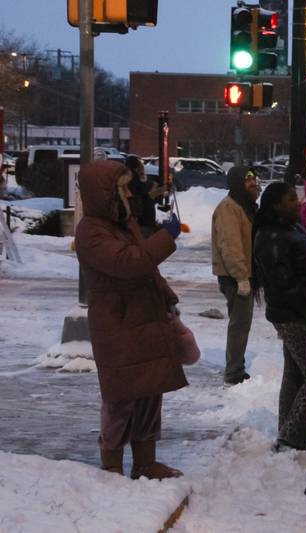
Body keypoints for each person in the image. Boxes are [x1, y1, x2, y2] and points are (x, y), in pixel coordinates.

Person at [75, 160, 186, 479]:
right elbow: (129, 263)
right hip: (118, 323)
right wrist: (166, 238)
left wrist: (167, 296)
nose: (129, 193)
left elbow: (148, 269)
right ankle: (111, 465)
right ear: (105, 194)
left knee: (150, 392)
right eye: (122, 188)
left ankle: (146, 461)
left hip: (145, 317)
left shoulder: (125, 223)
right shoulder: (91, 231)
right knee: (121, 397)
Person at [252, 182, 306, 451]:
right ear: (276, 205)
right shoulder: (273, 237)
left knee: (295, 373)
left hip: (296, 312)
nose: (298, 202)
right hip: (294, 315)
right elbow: (283, 284)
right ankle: (292, 436)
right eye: (291, 199)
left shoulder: (289, 228)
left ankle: (287, 430)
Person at [212, 166, 259, 385]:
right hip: (235, 276)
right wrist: (241, 276)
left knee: (242, 322)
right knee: (239, 324)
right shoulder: (229, 209)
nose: (253, 183)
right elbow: (230, 246)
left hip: (244, 273)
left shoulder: (245, 206)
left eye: (254, 179)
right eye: (248, 179)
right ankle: (234, 372)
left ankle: (236, 368)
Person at [125, 155, 164, 237]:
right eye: (139, 165)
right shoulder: (134, 179)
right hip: (142, 217)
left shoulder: (128, 177)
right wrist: (154, 190)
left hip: (138, 217)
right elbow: (144, 197)